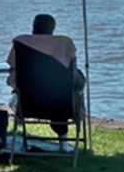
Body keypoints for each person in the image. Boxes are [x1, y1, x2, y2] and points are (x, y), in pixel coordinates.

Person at [6, 14, 86, 151]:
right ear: (52, 29)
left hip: (28, 104)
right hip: (61, 105)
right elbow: (73, 76)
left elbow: (13, 72)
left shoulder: (21, 43)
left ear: (34, 27)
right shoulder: (64, 44)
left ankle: (17, 104)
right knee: (75, 83)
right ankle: (64, 143)